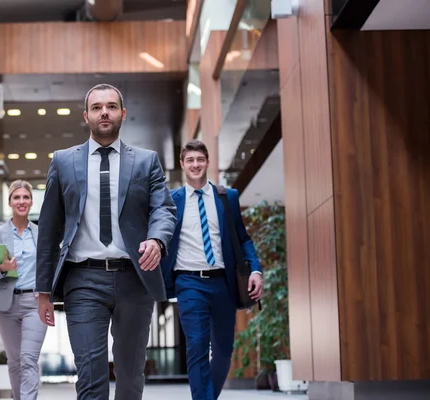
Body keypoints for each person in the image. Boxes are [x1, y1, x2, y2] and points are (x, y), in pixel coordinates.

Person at [36, 84, 176, 400]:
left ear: (123, 114)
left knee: (129, 375)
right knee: (89, 374)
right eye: (97, 107)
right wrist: (43, 290)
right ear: (86, 115)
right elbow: (49, 230)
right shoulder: (62, 162)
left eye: (111, 106)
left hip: (134, 277)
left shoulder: (146, 161)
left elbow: (163, 209)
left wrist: (156, 239)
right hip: (83, 279)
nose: (104, 112)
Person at [160, 140, 264, 400]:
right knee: (196, 347)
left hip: (223, 283)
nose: (195, 164)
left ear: (207, 162)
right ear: (183, 165)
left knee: (224, 350)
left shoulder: (226, 198)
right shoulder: (171, 201)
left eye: (200, 159)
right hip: (188, 282)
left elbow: (243, 240)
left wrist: (256, 270)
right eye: (190, 160)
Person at [0, 180, 47, 400]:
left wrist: (48, 291)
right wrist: (2, 268)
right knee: (15, 361)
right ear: (10, 202)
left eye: (26, 197)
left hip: (35, 304)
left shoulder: (41, 233)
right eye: (17, 197)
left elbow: (51, 266)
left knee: (29, 359)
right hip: (6, 306)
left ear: (31, 201)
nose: (21, 201)